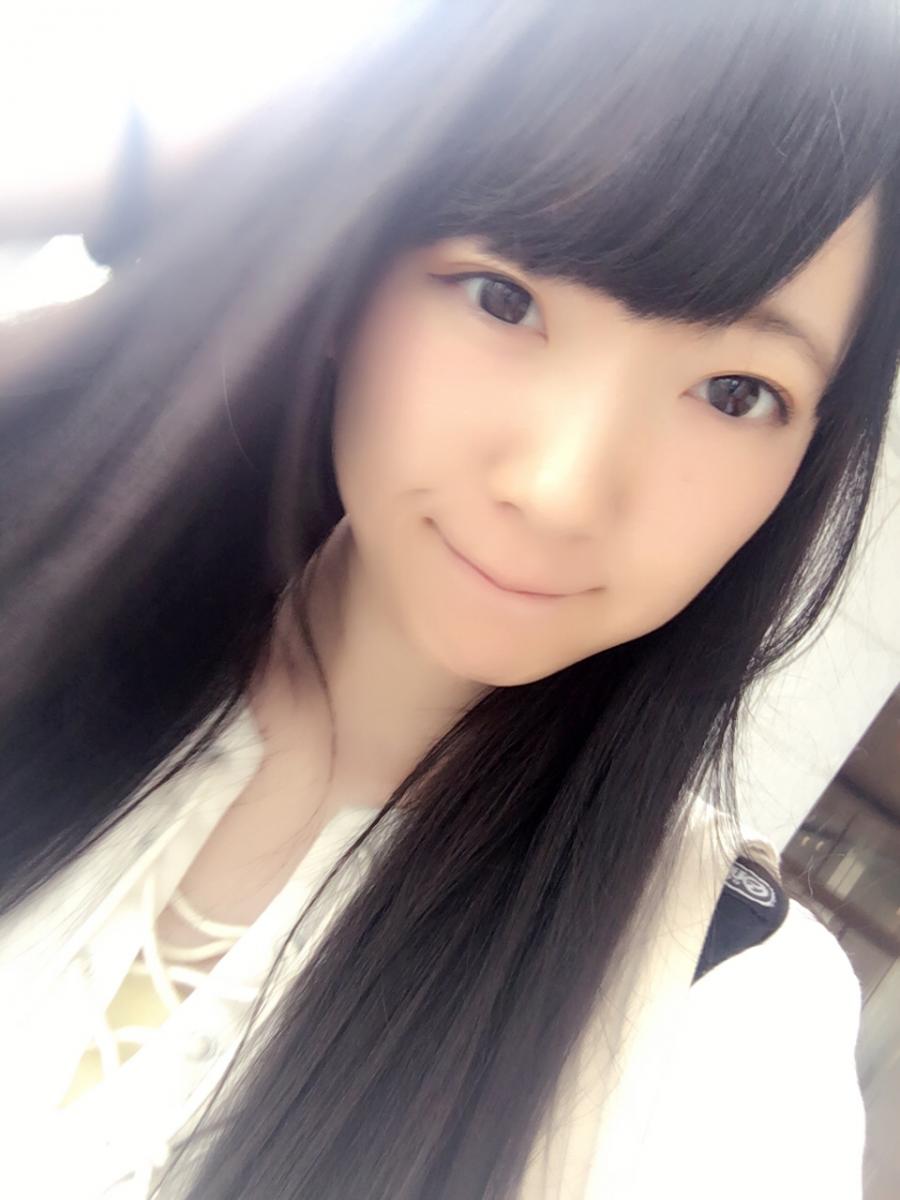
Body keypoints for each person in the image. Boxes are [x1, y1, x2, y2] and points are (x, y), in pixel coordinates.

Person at [1, 2, 898, 1197]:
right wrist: (133, 164)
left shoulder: (729, 1032)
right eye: (502, 295)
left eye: (736, 392)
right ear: (351, 263)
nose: (560, 489)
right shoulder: (45, 618)